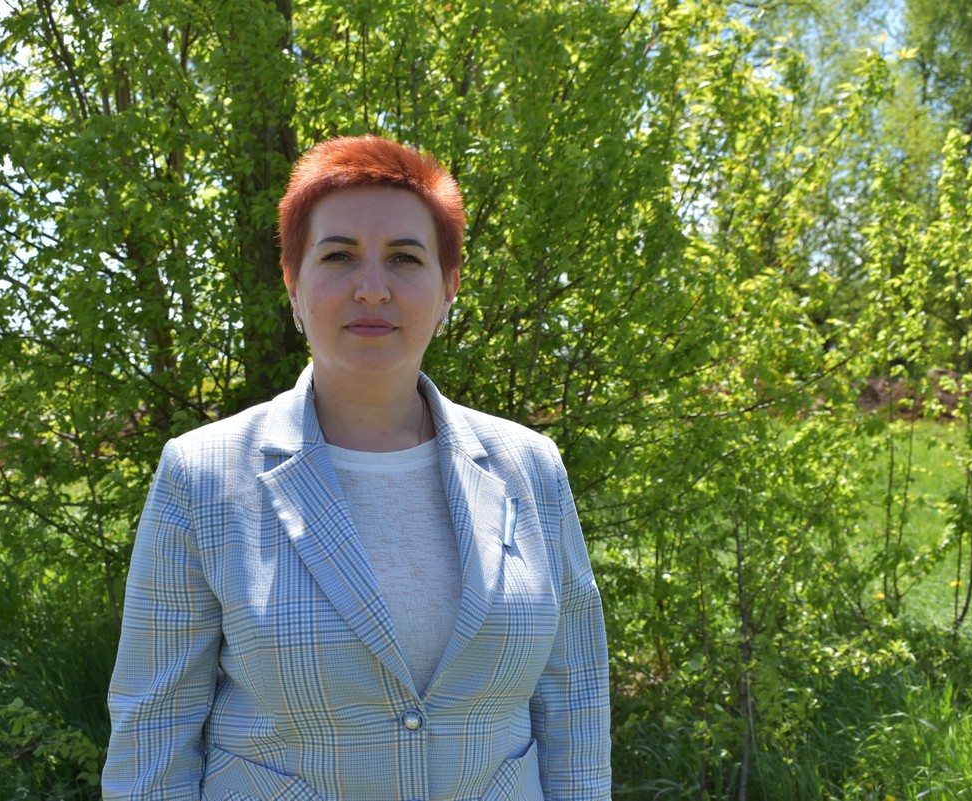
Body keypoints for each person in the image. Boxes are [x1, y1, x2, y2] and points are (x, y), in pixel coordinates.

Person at [102, 135, 611, 801]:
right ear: (293, 281)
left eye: (405, 258)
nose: (372, 289)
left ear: (449, 286)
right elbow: (154, 734)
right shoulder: (202, 477)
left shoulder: (530, 468)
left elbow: (574, 704)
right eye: (339, 256)